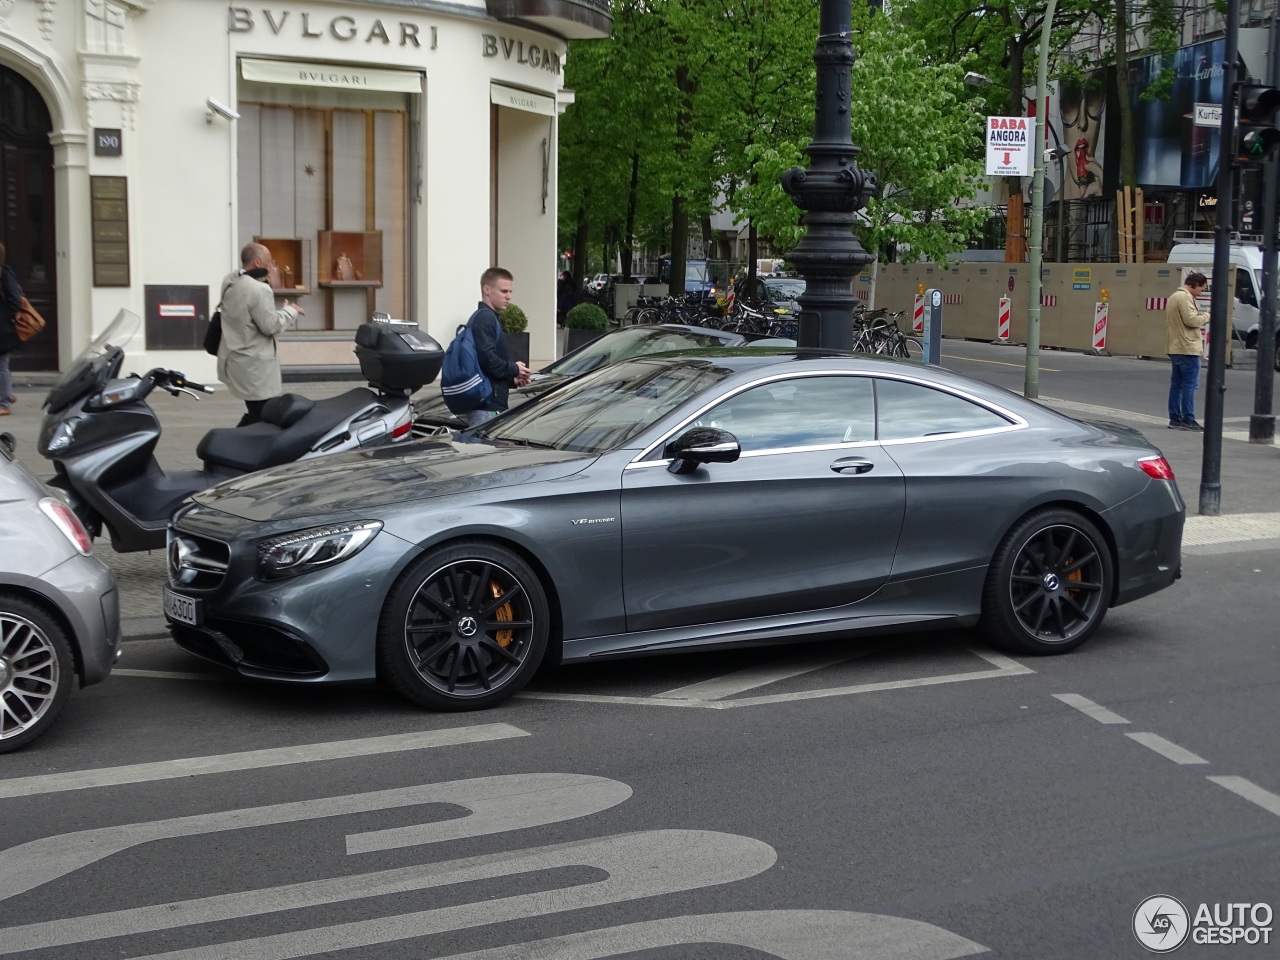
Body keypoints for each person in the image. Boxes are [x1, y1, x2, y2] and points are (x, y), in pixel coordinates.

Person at [217, 242, 303, 426]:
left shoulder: (230, 282)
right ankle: (233, 446)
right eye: (269, 261)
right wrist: (290, 311)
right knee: (262, 416)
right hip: (255, 365)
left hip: (235, 358)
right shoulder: (259, 289)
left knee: (256, 412)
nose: (271, 265)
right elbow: (270, 325)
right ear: (257, 262)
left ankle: (235, 445)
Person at [464, 266, 531, 428]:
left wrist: (511, 380)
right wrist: (514, 368)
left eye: (510, 292)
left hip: (488, 402)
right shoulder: (485, 318)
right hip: (486, 405)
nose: (508, 297)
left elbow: (487, 367)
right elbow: (487, 359)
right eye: (504, 291)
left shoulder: (489, 318)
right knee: (485, 450)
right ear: (487, 289)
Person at [1166, 271, 1209, 431]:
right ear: (1193, 285)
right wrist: (1206, 315)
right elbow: (1191, 320)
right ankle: (1188, 419)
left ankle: (1175, 418)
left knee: (1177, 384)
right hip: (1187, 347)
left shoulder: (1174, 297)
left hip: (1175, 345)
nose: (1201, 292)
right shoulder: (1184, 298)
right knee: (1190, 385)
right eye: (1201, 288)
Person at [0, 244, 22, 417]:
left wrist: (6, 318)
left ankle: (4, 402)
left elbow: (15, 298)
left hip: (2, 328)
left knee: (2, 365)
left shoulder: (4, 273)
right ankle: (6, 393)